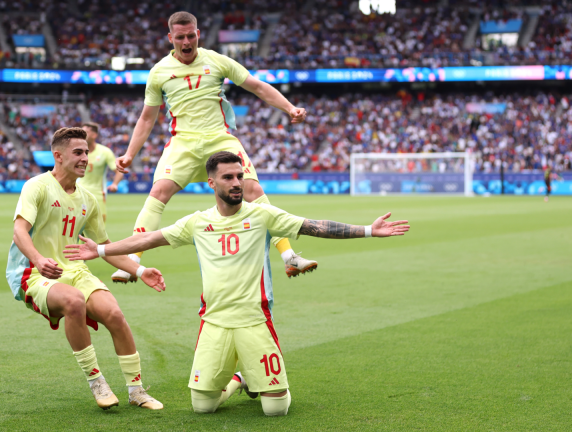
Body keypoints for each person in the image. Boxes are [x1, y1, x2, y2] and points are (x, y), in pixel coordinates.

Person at [65, 151, 410, 416]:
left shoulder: (262, 215)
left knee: (276, 409)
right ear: (211, 183)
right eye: (228, 177)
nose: (236, 183)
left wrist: (368, 229)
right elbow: (148, 240)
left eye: (240, 177)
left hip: (254, 320)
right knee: (203, 406)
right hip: (213, 320)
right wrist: (100, 249)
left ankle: (253, 378)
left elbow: (313, 225)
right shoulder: (196, 223)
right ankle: (238, 379)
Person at [111, 11, 317, 284]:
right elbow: (147, 117)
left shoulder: (217, 61)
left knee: (252, 190)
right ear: (170, 38)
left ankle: (289, 258)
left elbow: (256, 86)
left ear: (198, 34)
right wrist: (129, 154)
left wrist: (289, 107)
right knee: (158, 191)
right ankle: (131, 261)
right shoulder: (159, 71)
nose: (186, 42)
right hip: (182, 142)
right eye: (180, 37)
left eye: (190, 35)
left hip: (219, 138)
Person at [7, 127, 164, 411]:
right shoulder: (37, 186)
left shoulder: (88, 199)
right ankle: (97, 382)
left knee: (115, 314)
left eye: (86, 153)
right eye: (77, 152)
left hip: (75, 271)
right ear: (58, 155)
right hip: (34, 272)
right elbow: (19, 230)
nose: (84, 158)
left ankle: (136, 390)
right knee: (73, 301)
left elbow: (104, 247)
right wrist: (39, 259)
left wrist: (140, 271)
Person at [76, 122, 124, 224]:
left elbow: (119, 171)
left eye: (86, 132)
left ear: (94, 135)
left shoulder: (104, 152)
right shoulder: (76, 152)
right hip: (78, 194)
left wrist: (115, 184)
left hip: (98, 195)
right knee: (77, 231)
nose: (82, 134)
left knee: (98, 233)